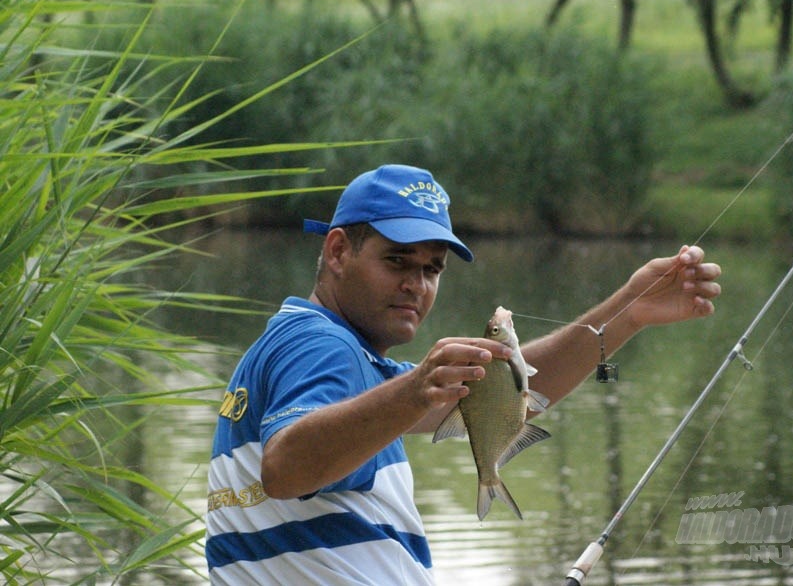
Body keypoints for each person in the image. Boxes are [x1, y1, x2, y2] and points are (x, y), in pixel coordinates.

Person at [205, 164, 722, 585]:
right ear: (339, 251)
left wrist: (627, 312)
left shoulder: (351, 362)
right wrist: (413, 391)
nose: (417, 285)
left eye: (432, 270)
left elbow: (511, 389)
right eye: (398, 261)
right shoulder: (320, 345)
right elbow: (286, 469)